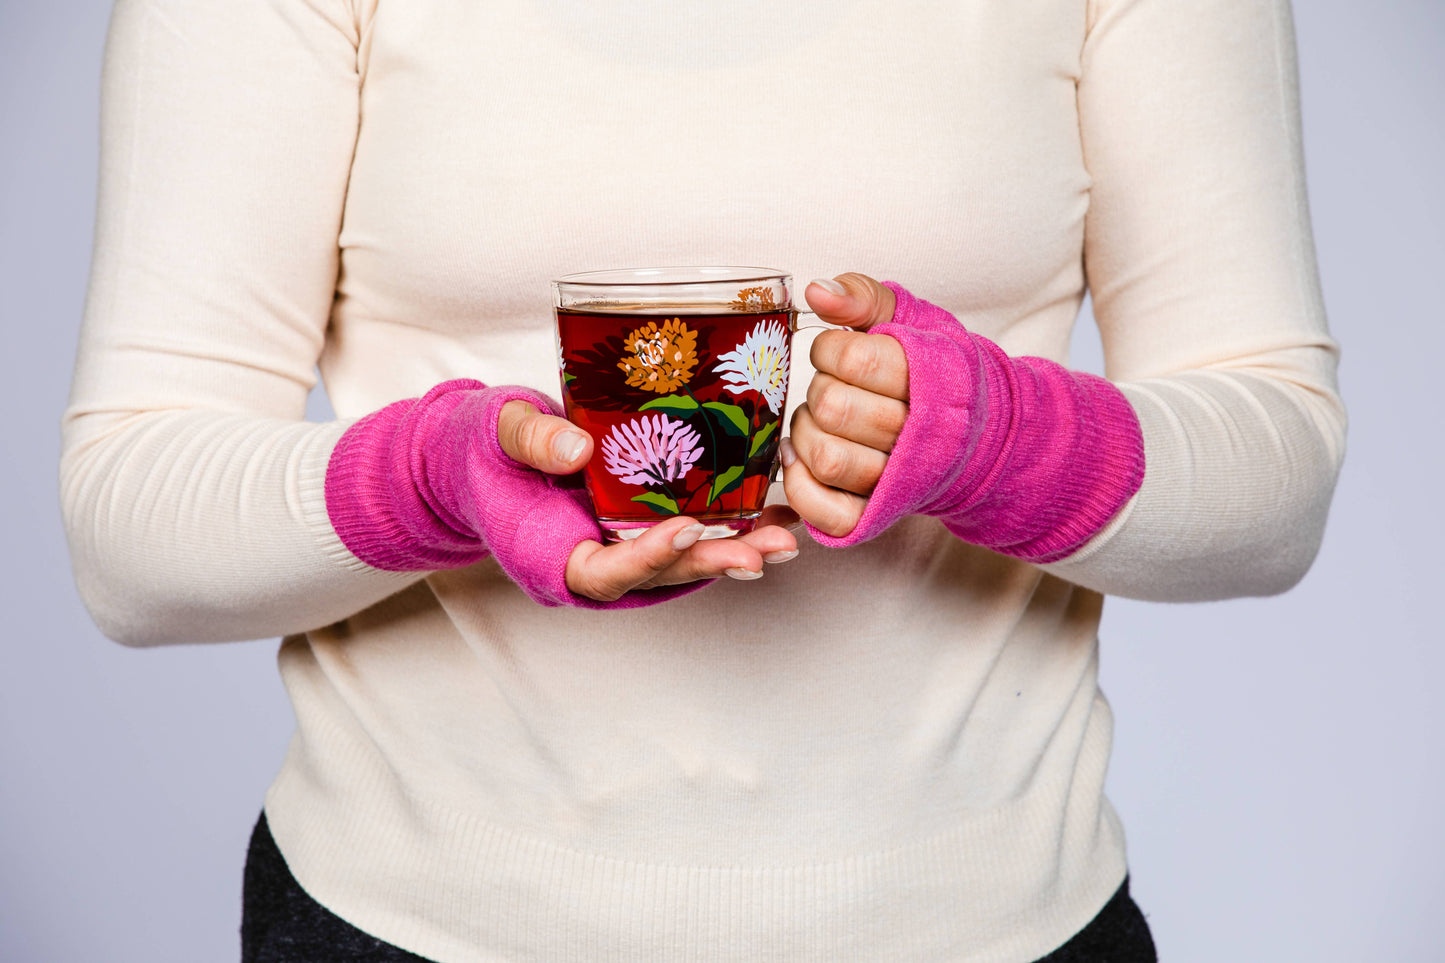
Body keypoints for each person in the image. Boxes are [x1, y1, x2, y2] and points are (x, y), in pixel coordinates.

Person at [60, 0, 1345, 960]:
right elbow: (129, 540)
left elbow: (1274, 489)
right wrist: (435, 481)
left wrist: (1001, 440)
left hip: (1000, 928)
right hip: (400, 925)